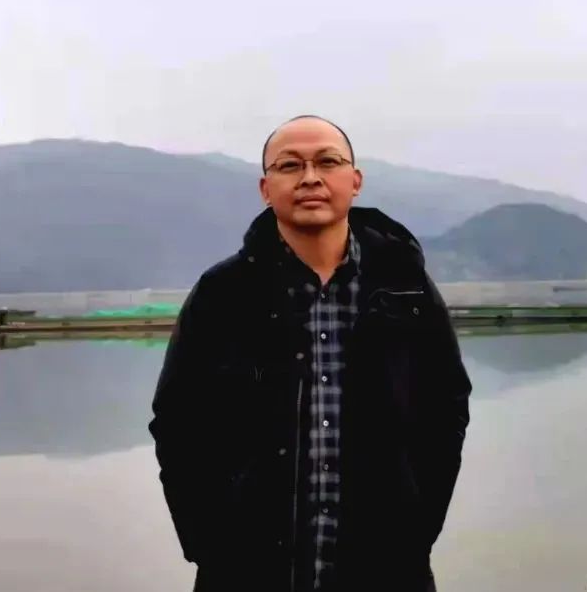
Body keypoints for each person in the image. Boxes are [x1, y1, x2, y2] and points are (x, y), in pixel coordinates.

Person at [148, 115, 472, 592]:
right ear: (266, 189)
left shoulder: (404, 287)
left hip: (388, 566)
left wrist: (416, 527)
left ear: (355, 181)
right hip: (246, 569)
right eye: (290, 166)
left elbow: (446, 409)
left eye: (327, 162)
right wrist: (208, 541)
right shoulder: (224, 292)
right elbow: (178, 422)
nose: (310, 178)